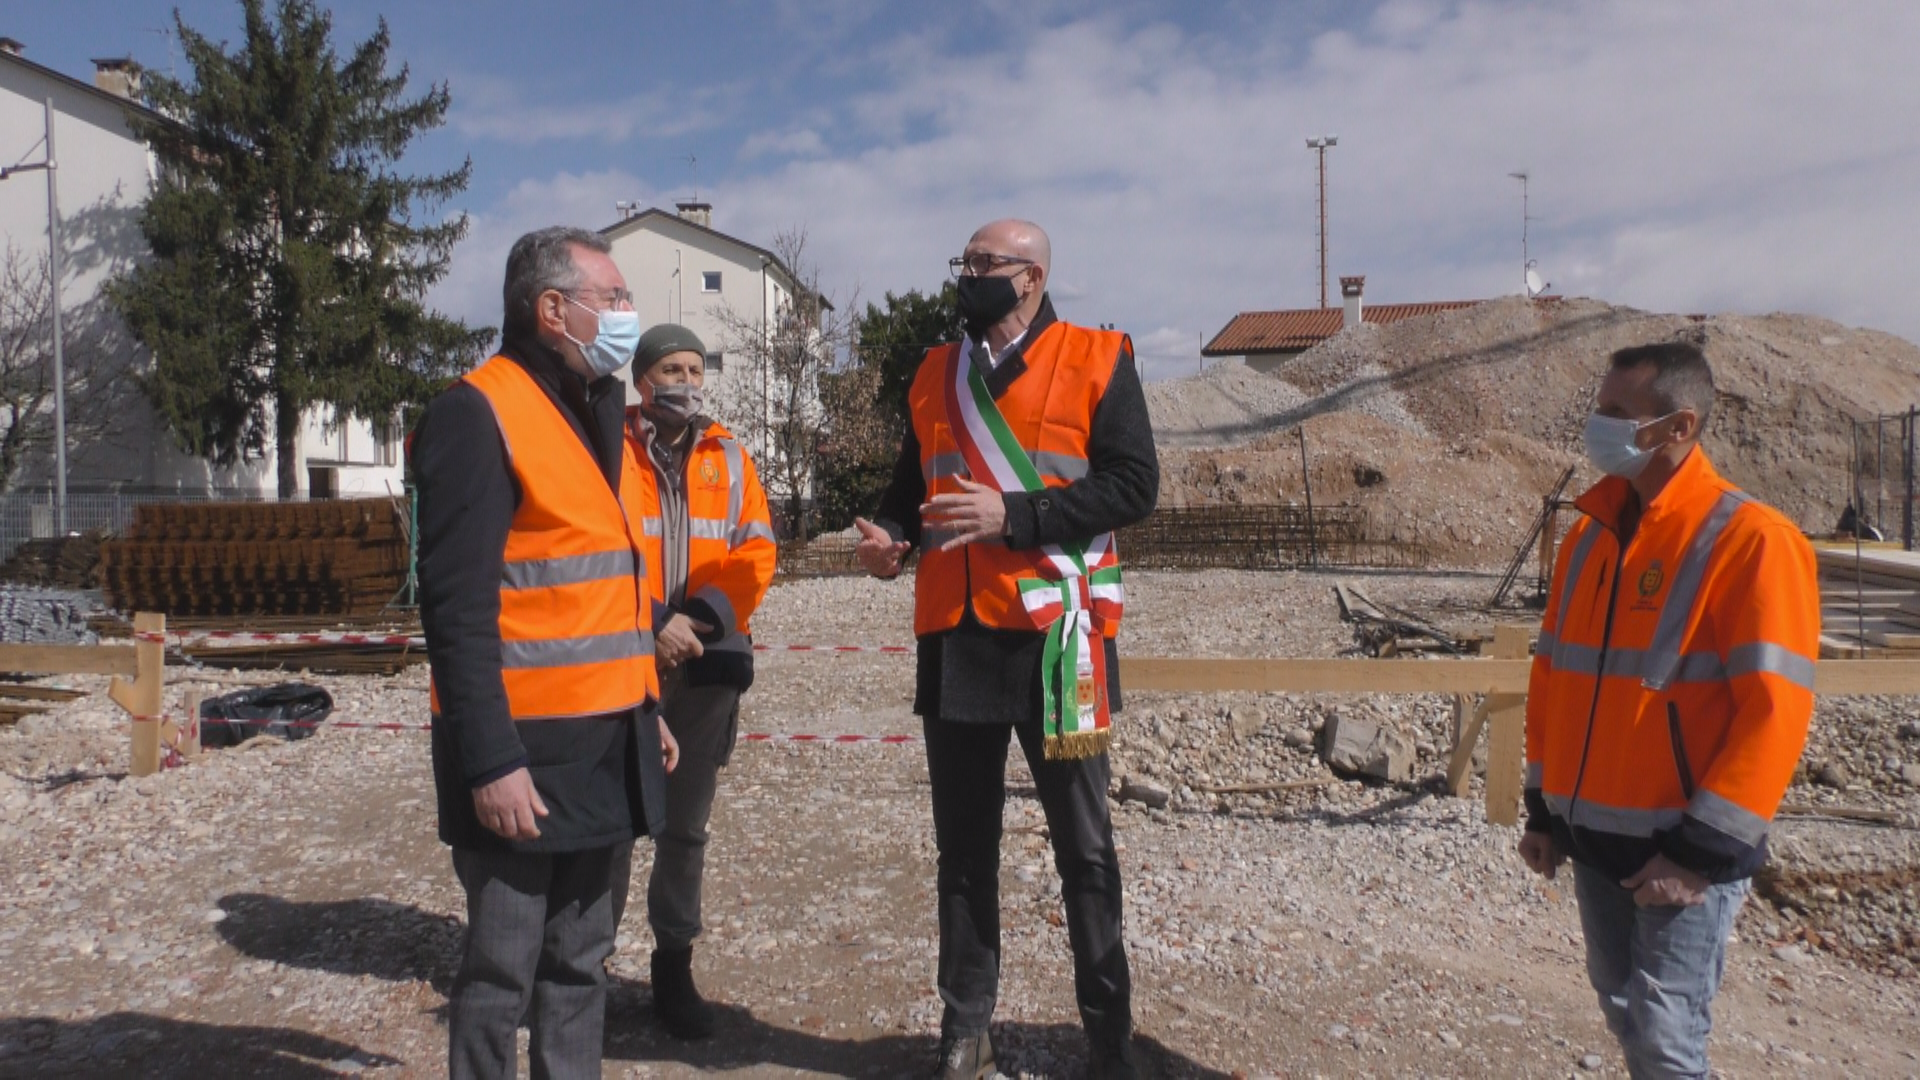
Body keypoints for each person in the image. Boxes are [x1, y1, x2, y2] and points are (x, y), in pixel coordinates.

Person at [854, 219, 1159, 1080]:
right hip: (956, 640)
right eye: (965, 261)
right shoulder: (931, 371)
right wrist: (888, 539)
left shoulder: (1099, 357)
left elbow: (1135, 484)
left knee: (1086, 848)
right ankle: (965, 1026)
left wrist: (1016, 517)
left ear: (1029, 277)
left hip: (1059, 640)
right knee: (963, 849)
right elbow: (910, 489)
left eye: (985, 263)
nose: (968, 274)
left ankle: (1108, 1037)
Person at [415, 226, 679, 1079]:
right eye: (614, 297)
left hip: (606, 742)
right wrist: (489, 761)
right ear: (552, 309)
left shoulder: (599, 410)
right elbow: (455, 609)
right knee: (501, 972)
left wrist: (646, 706)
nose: (628, 315)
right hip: (520, 752)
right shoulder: (476, 413)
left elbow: (604, 585)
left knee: (580, 963)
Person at [1518, 341, 1819, 1079]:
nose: (1599, 425)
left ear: (1679, 427)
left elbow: (1773, 713)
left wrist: (1697, 854)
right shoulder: (1588, 540)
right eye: (1600, 407)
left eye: (1618, 413)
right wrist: (1542, 811)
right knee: (1624, 1013)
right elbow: (1555, 678)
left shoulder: (1752, 541)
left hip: (1681, 849)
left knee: (1664, 1037)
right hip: (1594, 841)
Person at [608, 324, 777, 1040]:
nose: (686, 378)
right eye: (671, 367)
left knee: (686, 828)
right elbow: (587, 546)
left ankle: (672, 968)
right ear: (642, 380)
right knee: (609, 821)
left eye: (694, 367)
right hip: (620, 653)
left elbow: (757, 552)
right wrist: (650, 621)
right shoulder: (601, 447)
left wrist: (697, 623)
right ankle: (581, 966)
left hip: (707, 665)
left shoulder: (731, 455)